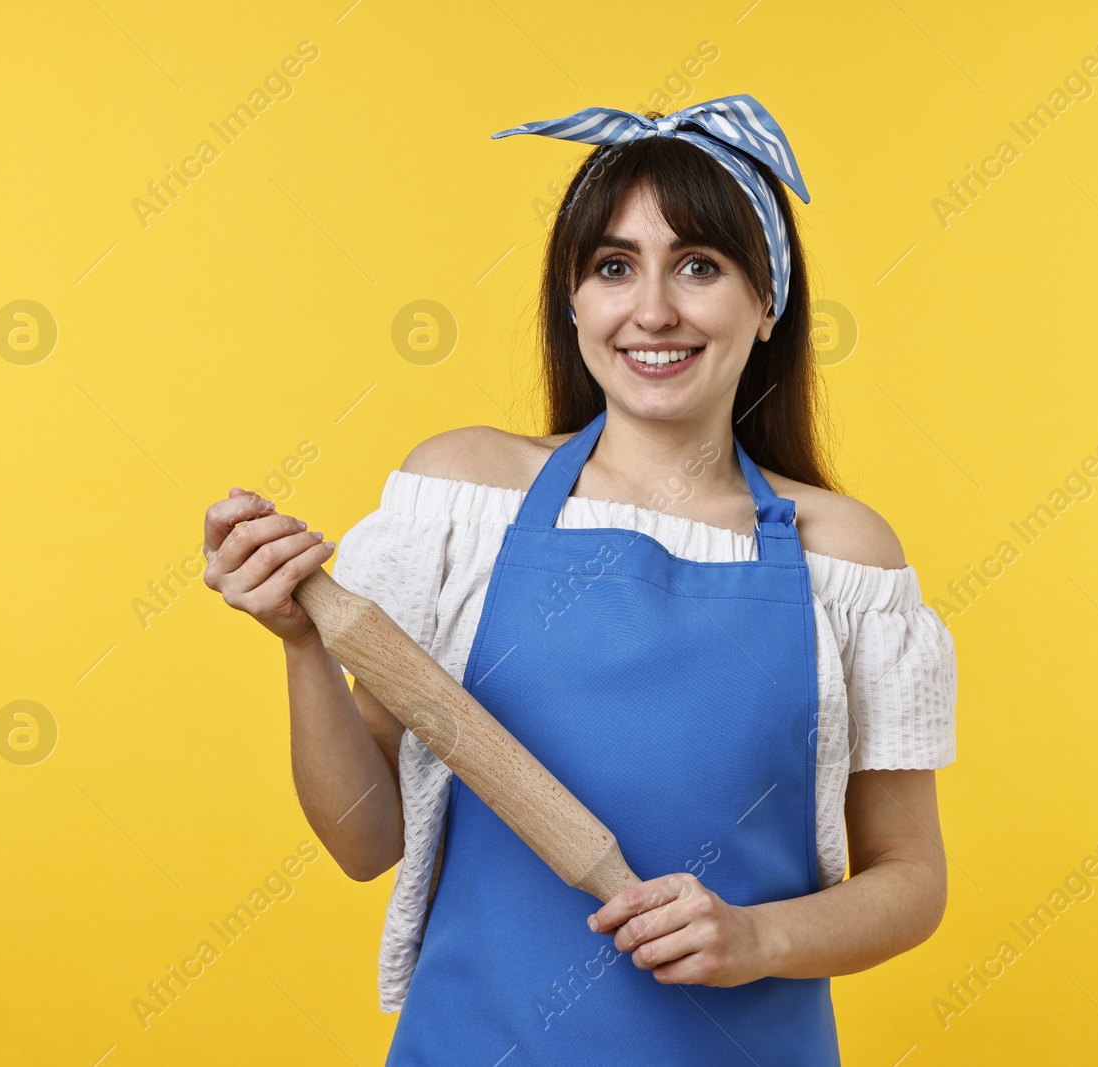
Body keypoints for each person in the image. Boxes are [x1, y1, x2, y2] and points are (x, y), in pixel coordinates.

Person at [202, 94, 957, 1065]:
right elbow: (364, 840)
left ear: (766, 300)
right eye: (613, 266)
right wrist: (303, 642)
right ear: (572, 302)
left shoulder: (842, 555)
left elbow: (911, 878)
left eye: (698, 265)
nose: (652, 309)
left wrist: (757, 936)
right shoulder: (465, 498)